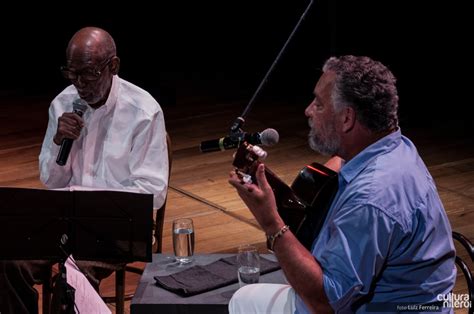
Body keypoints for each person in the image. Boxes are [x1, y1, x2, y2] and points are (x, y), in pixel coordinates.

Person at [228, 55, 456, 313]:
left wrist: (270, 221)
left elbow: (324, 302)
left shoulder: (372, 197)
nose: (308, 111)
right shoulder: (394, 146)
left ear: (347, 119)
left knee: (244, 299)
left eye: (319, 104)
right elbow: (338, 164)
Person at [0, 26, 168, 313]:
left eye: (88, 73)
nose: (79, 83)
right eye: (72, 73)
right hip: (65, 221)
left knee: (71, 280)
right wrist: (57, 144)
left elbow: (153, 193)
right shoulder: (63, 103)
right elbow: (51, 182)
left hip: (117, 226)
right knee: (7, 262)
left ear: (113, 66)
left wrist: (97, 205)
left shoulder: (143, 111)